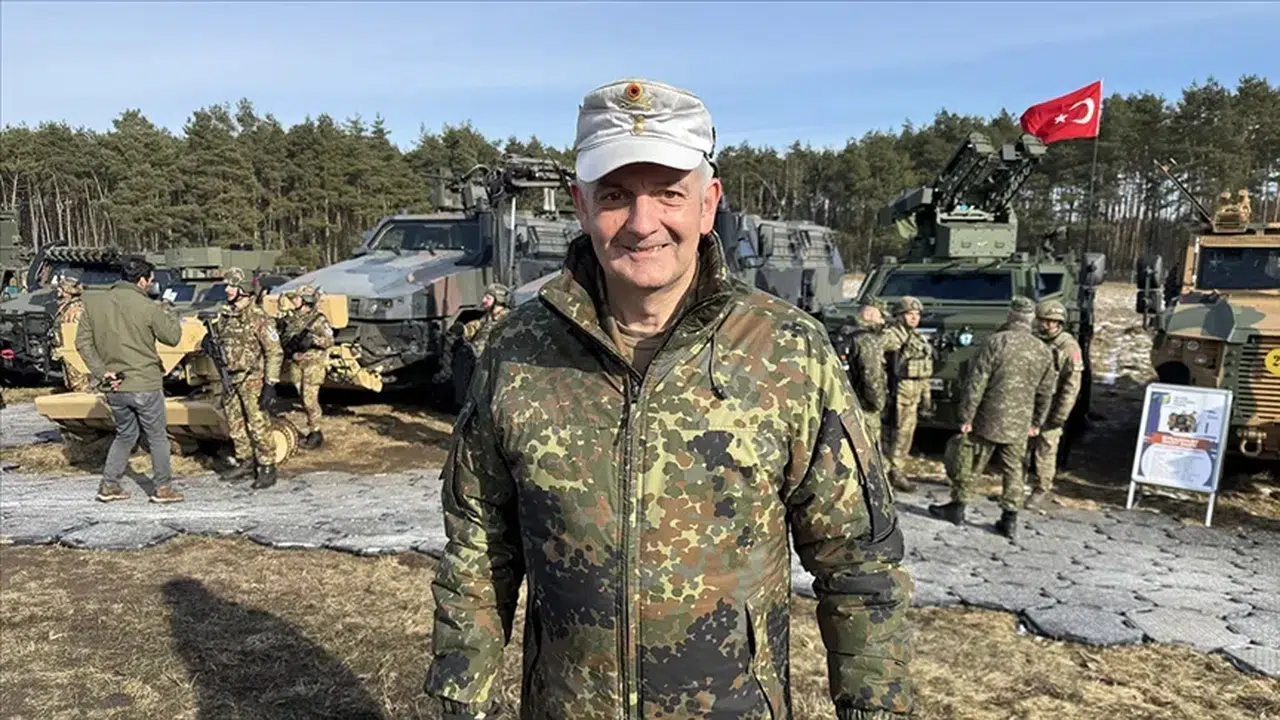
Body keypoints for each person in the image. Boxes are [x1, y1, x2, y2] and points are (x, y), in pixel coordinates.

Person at [424, 78, 914, 720]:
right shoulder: (517, 352)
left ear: (708, 205)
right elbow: (478, 541)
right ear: (580, 205)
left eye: (669, 193)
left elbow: (857, 557)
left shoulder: (787, 352)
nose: (641, 222)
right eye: (615, 195)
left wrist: (874, 704)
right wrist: (462, 691)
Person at [929, 296, 1055, 539]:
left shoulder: (995, 342)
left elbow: (976, 382)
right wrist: (1037, 422)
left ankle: (958, 506)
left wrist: (966, 416)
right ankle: (1010, 518)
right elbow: (1045, 391)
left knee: (972, 463)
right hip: (1020, 421)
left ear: (1011, 316)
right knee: (1014, 469)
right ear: (1031, 320)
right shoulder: (1042, 350)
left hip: (988, 417)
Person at [75, 258, 184, 503]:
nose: (151, 284)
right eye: (151, 280)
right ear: (142, 281)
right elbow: (172, 338)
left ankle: (109, 485)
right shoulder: (148, 306)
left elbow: (82, 343)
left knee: (125, 435)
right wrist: (172, 314)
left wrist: (101, 371)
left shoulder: (95, 303)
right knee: (157, 436)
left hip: (115, 385)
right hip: (145, 382)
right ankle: (163, 488)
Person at [208, 267, 283, 489]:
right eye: (227, 285)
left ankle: (267, 466)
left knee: (258, 424)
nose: (227, 290)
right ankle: (245, 461)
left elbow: (274, 352)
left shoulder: (258, 317)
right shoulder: (226, 315)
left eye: (232, 286)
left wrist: (270, 384)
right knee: (235, 424)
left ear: (244, 289)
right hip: (230, 379)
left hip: (253, 379)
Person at [1026, 299, 1084, 510]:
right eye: (1044, 320)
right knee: (1021, 446)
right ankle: (1017, 485)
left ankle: (1042, 488)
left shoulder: (1068, 347)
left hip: (1052, 405)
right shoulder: (1033, 340)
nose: (1048, 325)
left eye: (1053, 322)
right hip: (1029, 402)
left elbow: (1072, 384)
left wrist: (1061, 414)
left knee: (1046, 447)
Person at [880, 296, 933, 493]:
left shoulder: (917, 338)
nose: (914, 318)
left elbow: (924, 371)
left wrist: (926, 398)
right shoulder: (891, 336)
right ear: (899, 315)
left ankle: (897, 471)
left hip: (913, 396)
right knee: (891, 436)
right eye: (910, 314)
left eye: (917, 314)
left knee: (905, 436)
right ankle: (885, 475)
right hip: (897, 394)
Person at [281, 284, 333, 449]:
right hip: (297, 364)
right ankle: (312, 427)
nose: (294, 301)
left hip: (313, 365)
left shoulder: (318, 319)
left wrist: (313, 340)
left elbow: (329, 341)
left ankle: (315, 432)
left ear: (305, 300)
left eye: (296, 298)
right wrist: (291, 353)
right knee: (302, 397)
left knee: (310, 400)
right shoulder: (292, 319)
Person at [844, 300, 890, 449]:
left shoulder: (843, 333)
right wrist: (878, 404)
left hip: (843, 404)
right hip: (864, 408)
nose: (882, 322)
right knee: (870, 451)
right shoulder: (868, 340)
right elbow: (871, 376)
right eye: (880, 316)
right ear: (869, 315)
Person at [49, 276, 93, 393]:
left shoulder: (75, 311)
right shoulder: (67, 308)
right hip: (69, 355)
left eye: (60, 290)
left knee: (81, 387)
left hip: (75, 357)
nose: (58, 293)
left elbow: (75, 339)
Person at [460, 282, 511, 355]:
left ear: (498, 300)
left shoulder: (507, 319)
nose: (483, 300)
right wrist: (463, 330)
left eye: (488, 298)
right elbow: (476, 326)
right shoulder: (488, 317)